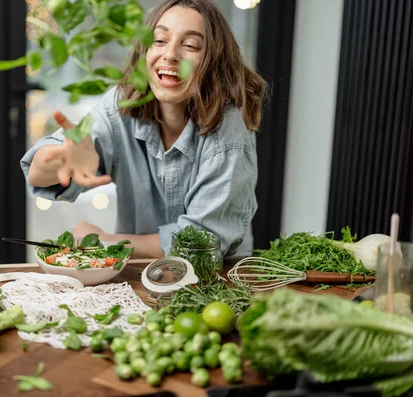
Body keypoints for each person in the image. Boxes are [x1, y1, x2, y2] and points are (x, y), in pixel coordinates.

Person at [21, 0, 267, 259]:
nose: (170, 54)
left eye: (190, 45)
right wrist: (61, 158)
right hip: (137, 279)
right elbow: (37, 175)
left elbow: (200, 247)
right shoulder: (119, 106)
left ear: (213, 63)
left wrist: (108, 242)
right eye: (160, 41)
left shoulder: (229, 128)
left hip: (217, 283)